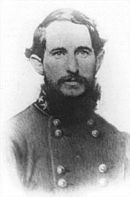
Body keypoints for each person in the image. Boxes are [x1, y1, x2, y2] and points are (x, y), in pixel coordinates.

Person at [9, 8, 130, 191]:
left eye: (83, 52)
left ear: (98, 61)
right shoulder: (11, 141)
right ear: (38, 63)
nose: (73, 67)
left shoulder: (120, 144)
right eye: (59, 53)